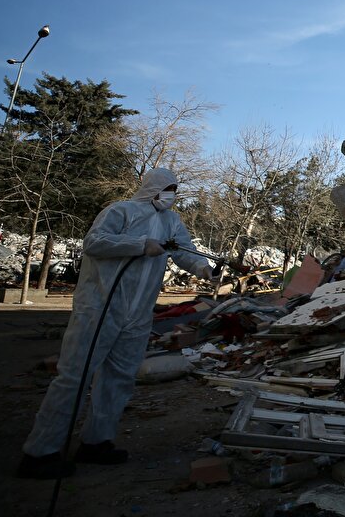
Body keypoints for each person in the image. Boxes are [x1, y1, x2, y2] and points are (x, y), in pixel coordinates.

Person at [17, 167, 219, 479]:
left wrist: (203, 268)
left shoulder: (172, 221)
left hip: (137, 315)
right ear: (152, 186)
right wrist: (140, 245)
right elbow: (94, 243)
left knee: (119, 379)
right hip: (99, 309)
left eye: (175, 189)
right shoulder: (119, 211)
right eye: (168, 187)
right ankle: (40, 452)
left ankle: (97, 442)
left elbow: (185, 251)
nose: (172, 194)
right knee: (74, 377)